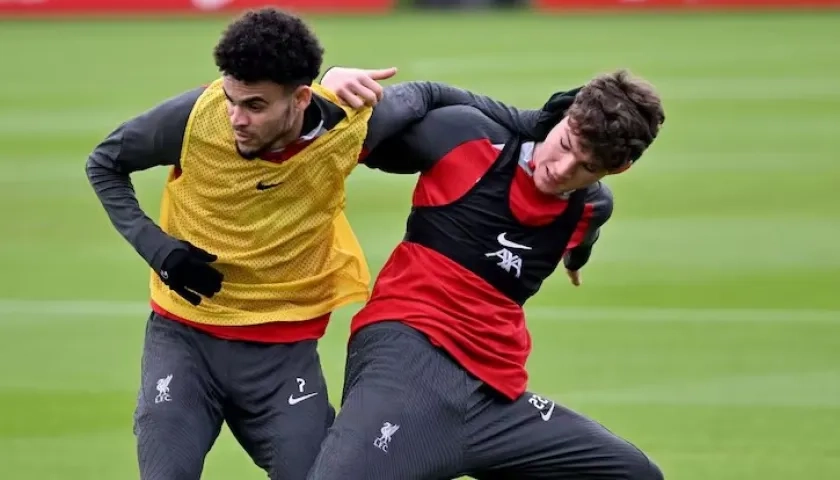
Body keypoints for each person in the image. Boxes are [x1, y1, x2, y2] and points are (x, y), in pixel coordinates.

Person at [84, 7, 547, 480]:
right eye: (231, 99)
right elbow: (104, 163)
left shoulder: (348, 127)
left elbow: (426, 94)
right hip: (184, 339)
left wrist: (530, 122)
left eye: (255, 106)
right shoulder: (193, 118)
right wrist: (159, 250)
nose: (236, 119)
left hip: (283, 354)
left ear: (301, 98)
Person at [306, 69, 667, 479]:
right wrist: (331, 86)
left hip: (491, 395)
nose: (562, 168)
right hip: (407, 349)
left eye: (586, 166)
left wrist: (575, 262)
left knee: (632, 474)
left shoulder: (589, 208)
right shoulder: (469, 138)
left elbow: (587, 235)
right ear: (567, 116)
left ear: (615, 170)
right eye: (566, 144)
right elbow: (338, 139)